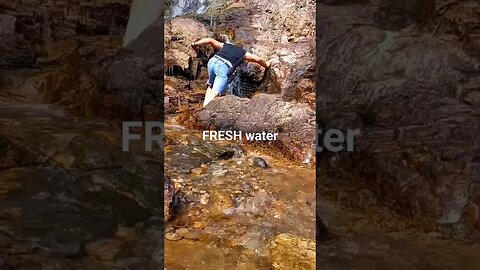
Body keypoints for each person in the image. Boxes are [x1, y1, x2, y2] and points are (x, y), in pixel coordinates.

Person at [190, 35, 272, 107]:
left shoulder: (226, 46)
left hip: (212, 61)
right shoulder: (243, 53)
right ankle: (205, 110)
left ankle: (204, 105)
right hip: (223, 66)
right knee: (216, 93)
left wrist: (195, 44)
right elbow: (258, 59)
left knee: (211, 85)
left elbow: (209, 40)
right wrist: (266, 64)